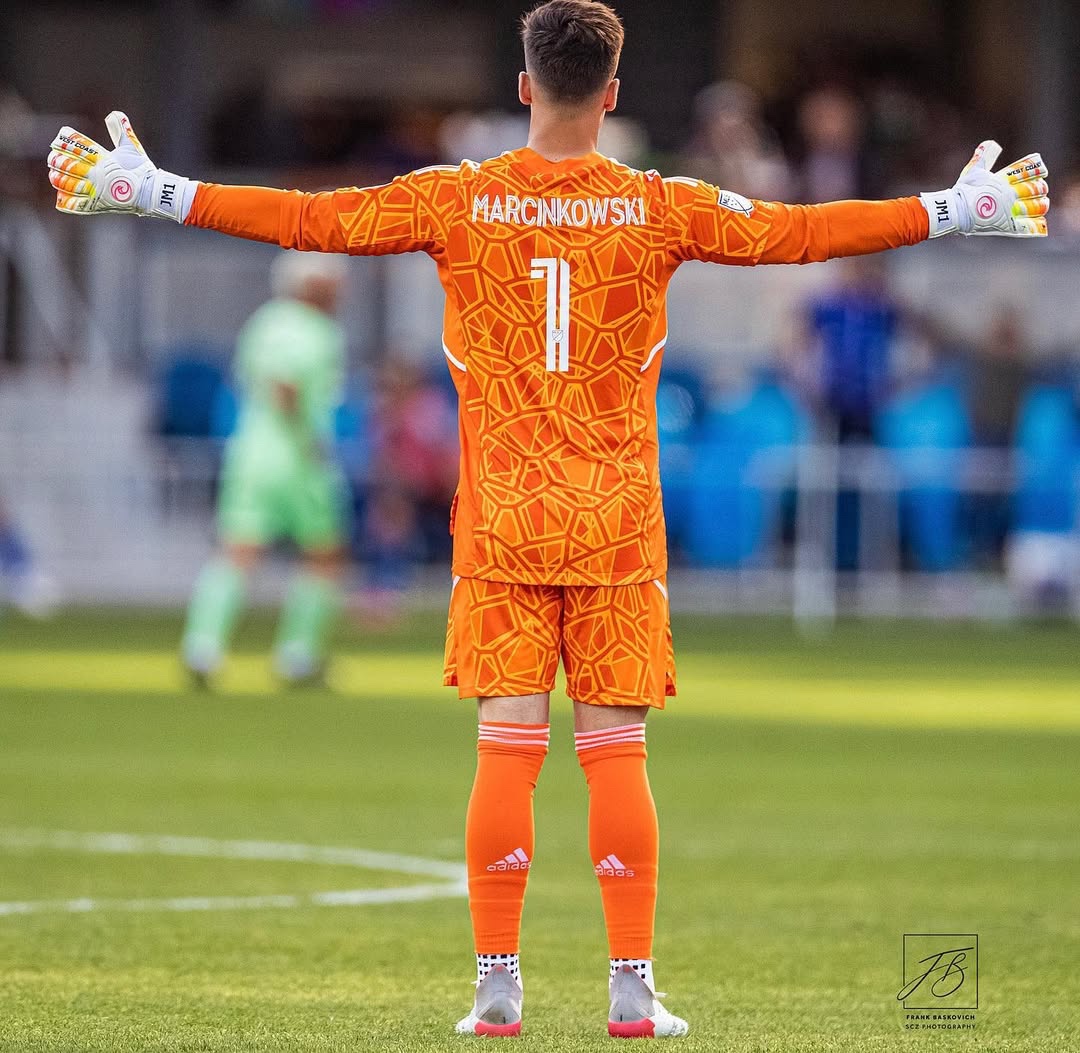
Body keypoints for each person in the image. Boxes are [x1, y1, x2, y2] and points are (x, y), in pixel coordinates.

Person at [46, 0, 1049, 1037]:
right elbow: (799, 236)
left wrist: (159, 192)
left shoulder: (458, 199)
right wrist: (951, 210)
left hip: (503, 522)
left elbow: (313, 221)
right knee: (616, 751)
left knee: (504, 749)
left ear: (525, 86)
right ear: (613, 96)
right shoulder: (658, 205)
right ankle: (628, 990)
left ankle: (495, 987)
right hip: (615, 525)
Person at [179, 251, 349, 685]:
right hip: (298, 455)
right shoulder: (316, 330)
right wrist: (308, 437)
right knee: (323, 553)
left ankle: (202, 647)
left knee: (238, 549)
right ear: (315, 284)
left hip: (251, 451)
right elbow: (286, 384)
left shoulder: (264, 321)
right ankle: (298, 655)